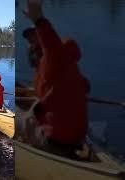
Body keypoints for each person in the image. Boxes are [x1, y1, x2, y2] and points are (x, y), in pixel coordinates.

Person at [21, 0, 91, 159]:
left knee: (20, 120)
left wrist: (38, 18)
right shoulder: (69, 65)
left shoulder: (52, 58)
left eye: (34, 40)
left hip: (57, 140)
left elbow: (49, 41)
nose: (30, 45)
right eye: (30, 41)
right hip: (77, 136)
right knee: (35, 108)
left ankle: (29, 151)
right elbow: (85, 86)